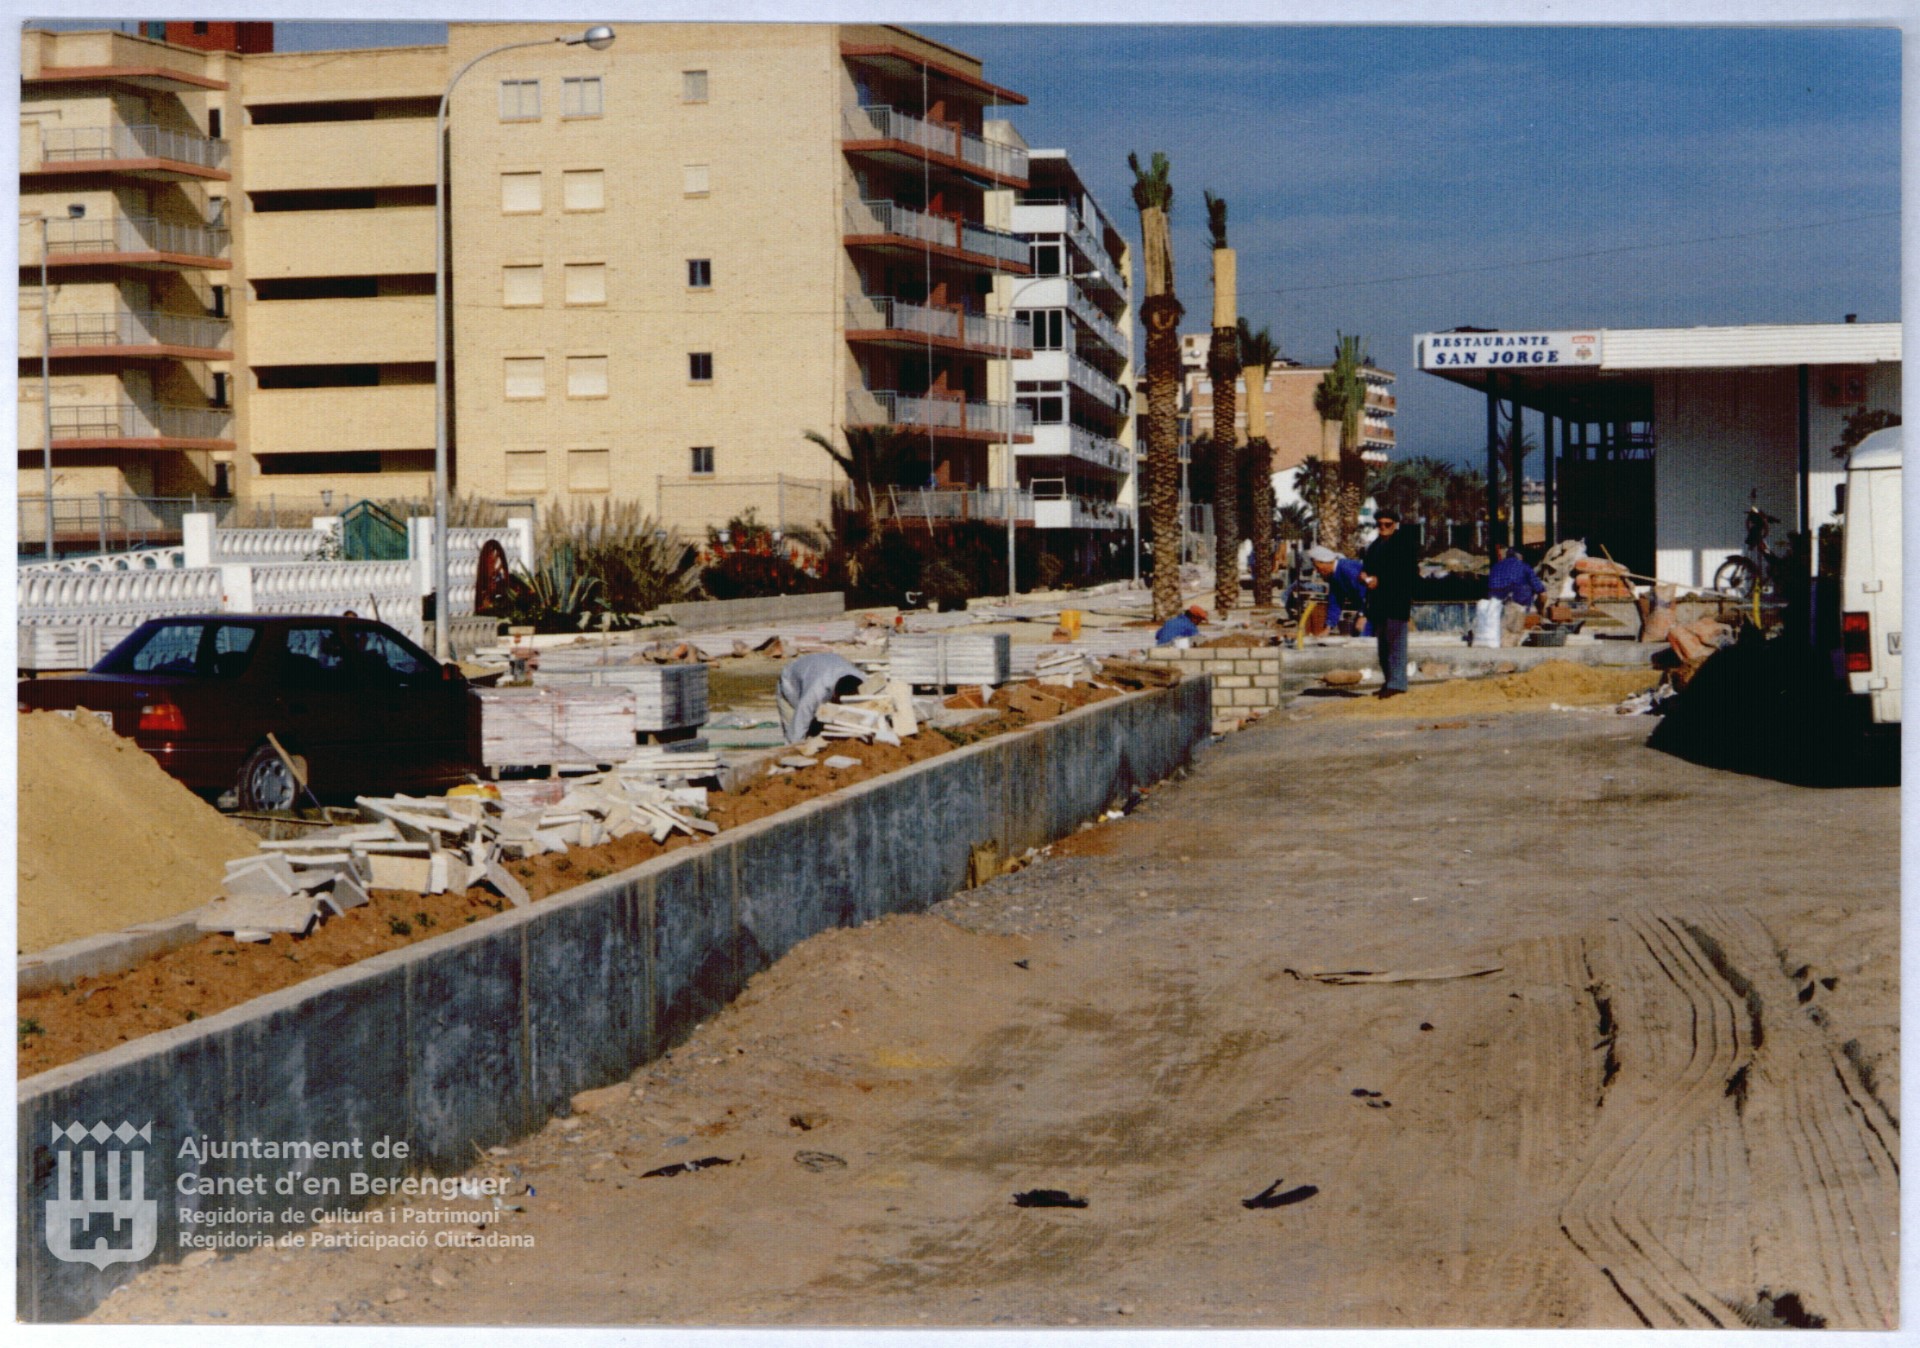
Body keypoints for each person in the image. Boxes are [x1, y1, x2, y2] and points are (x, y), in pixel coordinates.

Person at [1359, 507, 1417, 697]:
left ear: (1395, 525)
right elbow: (1367, 567)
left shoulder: (1403, 544)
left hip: (1396, 602)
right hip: (1378, 604)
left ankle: (1398, 684)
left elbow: (1404, 574)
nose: (1383, 528)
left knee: (1396, 644)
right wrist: (1365, 576)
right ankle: (1389, 681)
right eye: (1380, 524)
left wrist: (1380, 581)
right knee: (1383, 646)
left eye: (1387, 524)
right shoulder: (1375, 546)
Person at [776, 652, 868, 744]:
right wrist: (795, 749)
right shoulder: (816, 691)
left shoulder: (862, 679)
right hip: (791, 683)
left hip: (821, 666)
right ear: (835, 694)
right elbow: (799, 723)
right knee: (796, 736)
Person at [1487, 536, 1545, 644]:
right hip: (1516, 601)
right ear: (1520, 556)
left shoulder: (1496, 566)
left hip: (1494, 601)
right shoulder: (1524, 567)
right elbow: (1540, 590)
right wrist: (1542, 610)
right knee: (1512, 631)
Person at [1306, 545, 1369, 635]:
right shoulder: (1334, 575)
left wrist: (1363, 615)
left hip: (1377, 606)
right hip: (1366, 608)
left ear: (1324, 563)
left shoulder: (1347, 570)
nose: (1318, 571)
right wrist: (1328, 627)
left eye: (1317, 567)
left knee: (1364, 635)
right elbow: (1335, 601)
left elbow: (1368, 593)